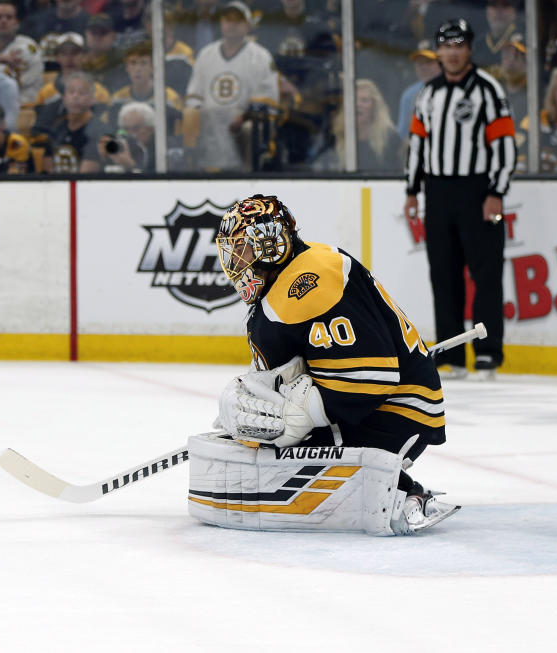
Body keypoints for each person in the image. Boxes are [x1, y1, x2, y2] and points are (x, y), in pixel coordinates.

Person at [212, 193, 457, 534]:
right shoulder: (289, 279)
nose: (236, 262)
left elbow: (372, 379)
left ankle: (404, 492)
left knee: (277, 460)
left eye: (243, 249)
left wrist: (301, 412)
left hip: (399, 410)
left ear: (269, 245)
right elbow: (290, 372)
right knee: (266, 444)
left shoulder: (312, 278)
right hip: (371, 405)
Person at [404, 19, 515, 380]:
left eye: (458, 45)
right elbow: (418, 144)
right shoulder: (428, 93)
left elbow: (505, 144)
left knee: (485, 273)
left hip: (477, 190)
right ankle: (452, 355)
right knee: (443, 273)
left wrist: (496, 192)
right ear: (438, 51)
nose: (452, 52)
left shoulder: (487, 89)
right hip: (437, 192)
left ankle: (487, 353)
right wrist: (411, 190)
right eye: (445, 45)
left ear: (469, 49)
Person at [184, 1, 295, 171]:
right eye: (228, 20)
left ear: (248, 26)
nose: (232, 25)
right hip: (211, 121)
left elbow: (267, 102)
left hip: (244, 123)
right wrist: (199, 113)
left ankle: (247, 179)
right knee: (190, 116)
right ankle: (192, 174)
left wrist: (244, 116)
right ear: (221, 23)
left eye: (238, 21)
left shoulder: (260, 56)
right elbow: (194, 97)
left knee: (251, 128)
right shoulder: (206, 55)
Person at [331, 79, 403, 172]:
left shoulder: (390, 138)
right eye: (354, 100)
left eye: (364, 100)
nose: (358, 105)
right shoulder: (336, 135)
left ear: (375, 105)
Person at [0, 0, 45, 107]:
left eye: (9, 17)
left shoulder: (27, 47)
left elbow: (9, 85)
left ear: (17, 23)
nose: (3, 21)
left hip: (24, 105)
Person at [396, 40, 441, 140]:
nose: (424, 67)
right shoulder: (409, 95)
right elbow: (402, 134)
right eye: (419, 63)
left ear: (441, 63)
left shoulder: (454, 89)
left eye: (429, 62)